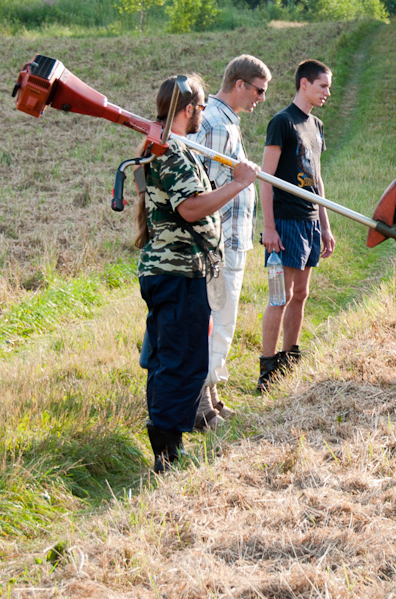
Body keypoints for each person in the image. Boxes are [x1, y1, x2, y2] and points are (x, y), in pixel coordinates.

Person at [135, 74, 258, 472]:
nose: (203, 115)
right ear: (188, 109)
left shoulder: (175, 146)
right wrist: (238, 184)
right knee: (180, 362)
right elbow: (190, 207)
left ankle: (167, 445)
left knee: (169, 359)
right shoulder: (170, 150)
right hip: (178, 273)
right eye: (201, 108)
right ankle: (168, 456)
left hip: (179, 272)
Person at [187, 55, 272, 428]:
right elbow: (200, 184)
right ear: (239, 84)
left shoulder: (226, 122)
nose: (260, 99)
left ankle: (212, 395)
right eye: (258, 91)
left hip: (230, 242)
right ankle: (199, 406)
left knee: (223, 322)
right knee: (216, 323)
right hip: (217, 243)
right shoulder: (216, 124)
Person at [258, 59, 336, 393]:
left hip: (309, 222)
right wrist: (269, 227)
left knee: (301, 294)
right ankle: (267, 365)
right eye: (323, 86)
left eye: (328, 87)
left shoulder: (316, 125)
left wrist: (326, 226)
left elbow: (317, 180)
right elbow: (264, 178)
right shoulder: (282, 122)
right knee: (281, 295)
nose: (327, 93)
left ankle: (290, 356)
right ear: (304, 84)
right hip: (285, 221)